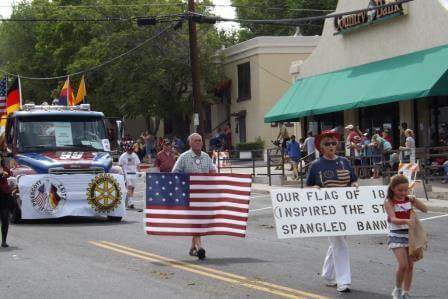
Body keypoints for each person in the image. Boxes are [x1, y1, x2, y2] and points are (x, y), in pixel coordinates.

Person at [306, 130, 358, 293]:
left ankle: (328, 275)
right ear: (321, 147)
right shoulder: (316, 165)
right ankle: (343, 281)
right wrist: (314, 188)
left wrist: (355, 185)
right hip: (327, 210)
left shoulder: (344, 161)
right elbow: (308, 185)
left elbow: (353, 179)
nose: (331, 146)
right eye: (327, 144)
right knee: (340, 244)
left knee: (337, 242)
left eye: (333, 143)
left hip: (345, 208)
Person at [172, 133, 216, 260]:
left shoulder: (206, 157)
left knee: (199, 221)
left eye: (200, 141)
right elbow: (175, 173)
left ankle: (192, 248)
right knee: (195, 221)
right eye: (196, 141)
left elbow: (213, 171)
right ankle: (200, 248)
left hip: (203, 195)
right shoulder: (184, 157)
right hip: (189, 194)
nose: (199, 143)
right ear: (190, 143)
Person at [384, 175, 428, 299]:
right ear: (393, 188)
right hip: (396, 235)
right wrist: (406, 221)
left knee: (410, 266)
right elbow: (392, 218)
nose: (403, 193)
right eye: (400, 190)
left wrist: (415, 200)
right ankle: (397, 289)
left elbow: (425, 209)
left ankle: (406, 292)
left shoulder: (408, 199)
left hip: (410, 236)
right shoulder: (389, 201)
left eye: (406, 189)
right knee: (403, 265)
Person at [118, 142, 141, 209]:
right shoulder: (123, 156)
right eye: (129, 149)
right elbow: (120, 165)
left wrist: (139, 172)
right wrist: (122, 174)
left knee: (132, 189)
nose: (130, 151)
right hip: (127, 174)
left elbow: (138, 164)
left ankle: (127, 202)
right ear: (126, 149)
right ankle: (131, 202)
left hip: (134, 173)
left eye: (131, 149)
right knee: (129, 187)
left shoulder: (135, 155)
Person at [0, 158, 12, 248]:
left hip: (4, 197)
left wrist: (12, 185)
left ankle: (4, 240)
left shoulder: (6, 169)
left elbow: (10, 181)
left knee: (5, 219)